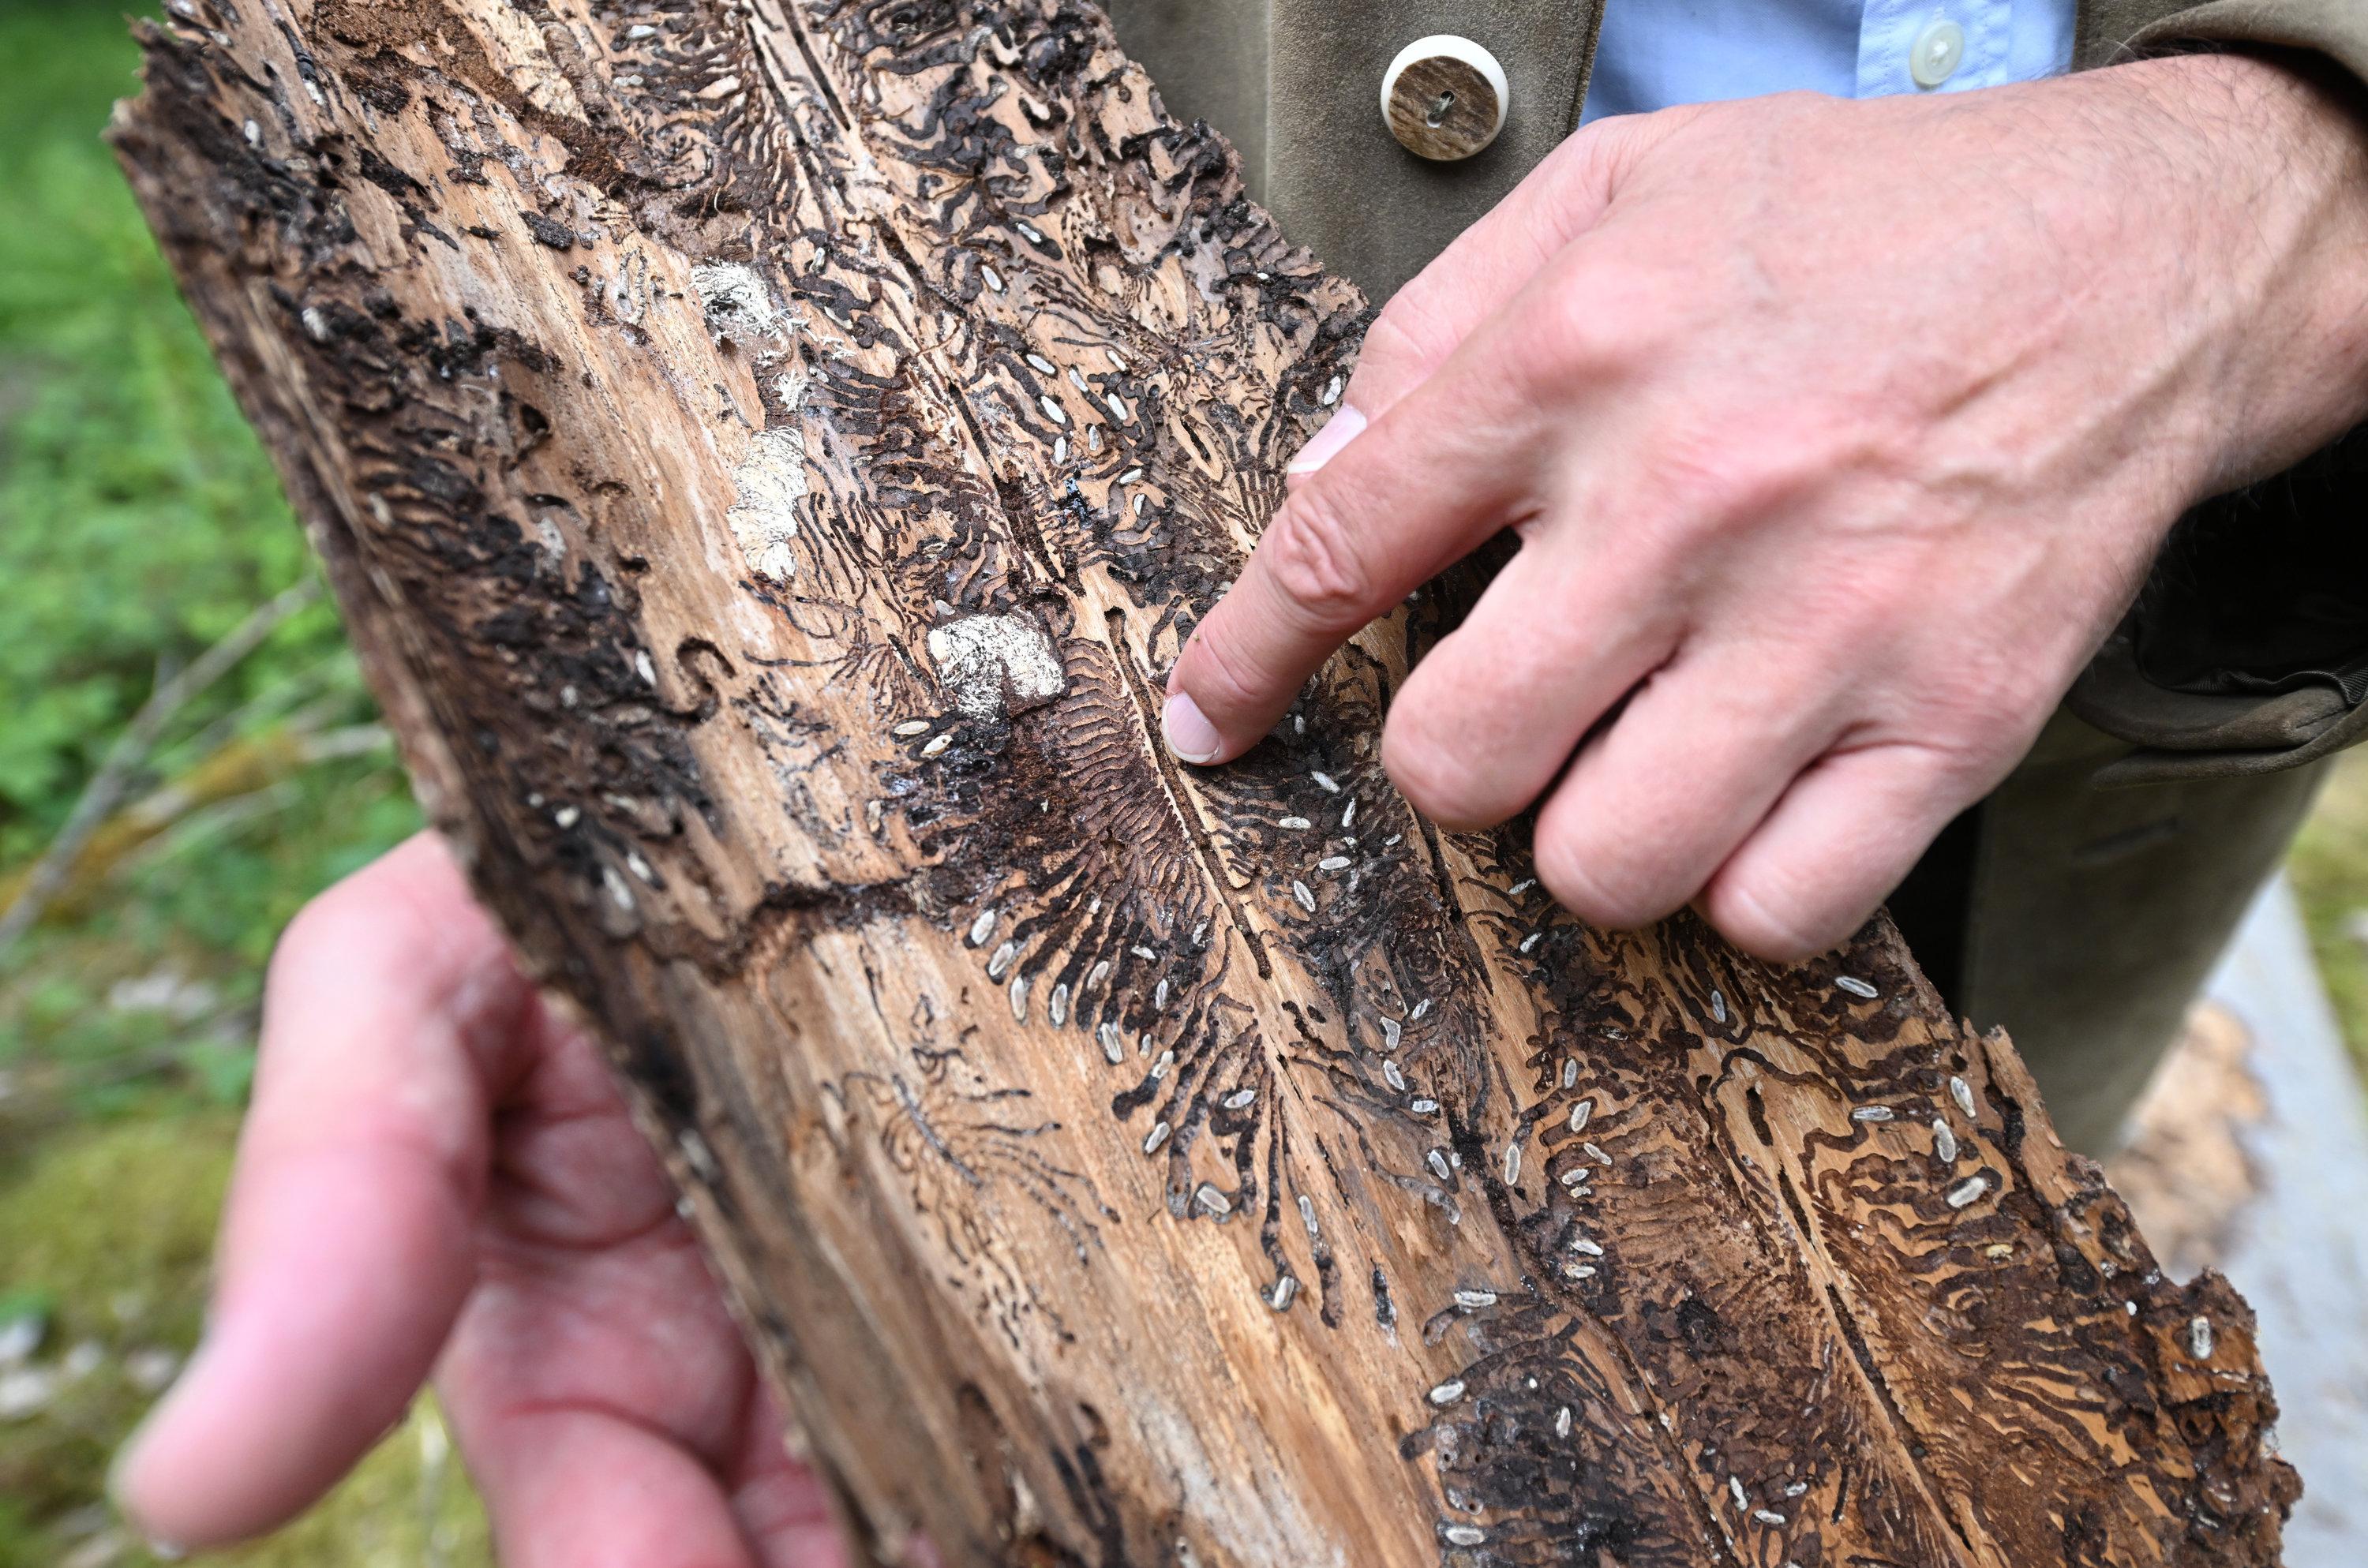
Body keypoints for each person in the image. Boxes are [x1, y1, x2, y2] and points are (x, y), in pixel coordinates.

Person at [112, 2, 2368, 1563]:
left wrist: (2270, 192)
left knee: (1992, 1203)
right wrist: (681, 781)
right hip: (1229, 562)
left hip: (2127, 696)